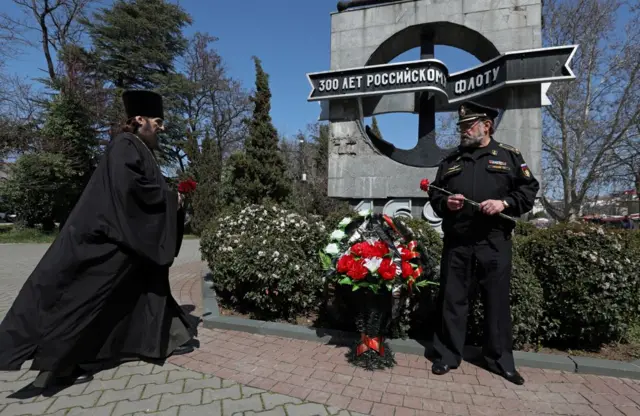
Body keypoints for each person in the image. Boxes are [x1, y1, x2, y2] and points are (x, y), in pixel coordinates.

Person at [0, 90, 196, 389]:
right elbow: (130, 192)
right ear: (139, 119)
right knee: (83, 299)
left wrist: (171, 200)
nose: (162, 127)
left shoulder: (136, 147)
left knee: (145, 289)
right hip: (104, 243)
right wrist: (171, 201)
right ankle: (55, 363)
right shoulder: (124, 146)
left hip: (121, 240)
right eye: (157, 121)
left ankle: (160, 340)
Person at [427, 101, 540, 385]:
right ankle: (448, 355)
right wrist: (446, 203)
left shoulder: (509, 156)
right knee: (452, 300)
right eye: (461, 127)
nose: (463, 131)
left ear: (486, 125)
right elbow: (435, 196)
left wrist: (504, 202)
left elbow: (528, 190)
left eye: (468, 126)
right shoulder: (451, 160)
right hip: (458, 240)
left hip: (494, 241)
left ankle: (500, 360)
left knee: (497, 303)